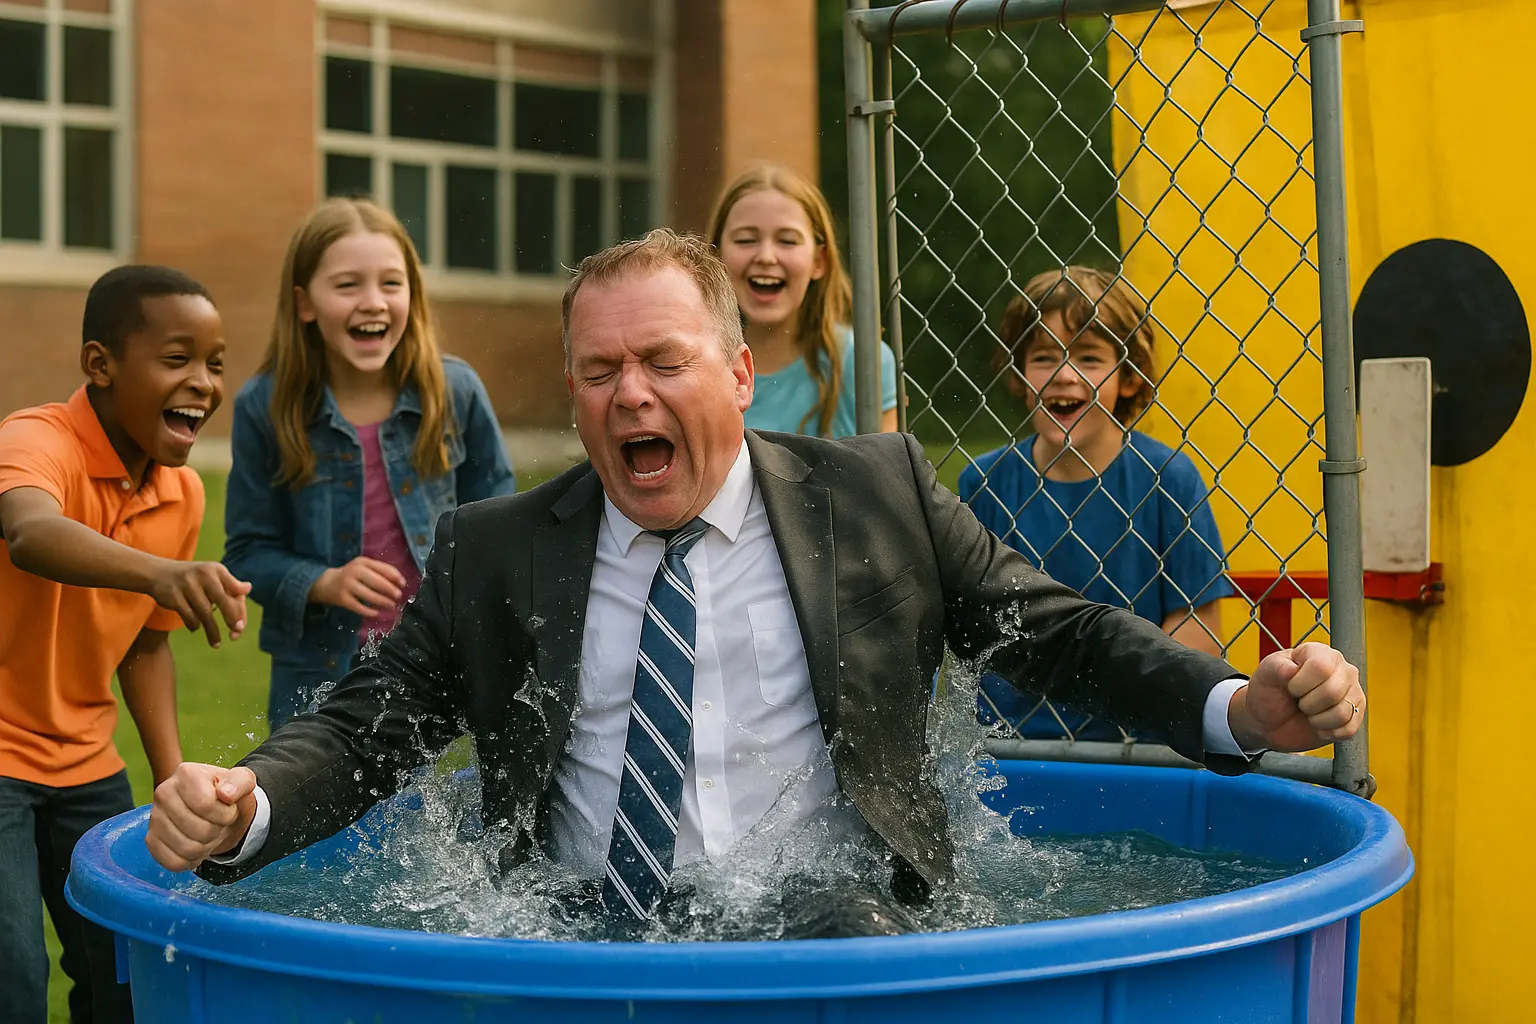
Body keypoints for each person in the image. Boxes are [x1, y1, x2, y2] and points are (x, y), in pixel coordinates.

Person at [146, 230, 1363, 937]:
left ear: (735, 373)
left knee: (844, 923)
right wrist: (242, 802)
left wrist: (1238, 708)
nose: (630, 395)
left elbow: (1063, 635)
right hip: (584, 935)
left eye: (662, 362)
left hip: (833, 930)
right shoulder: (494, 548)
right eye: (599, 370)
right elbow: (372, 727)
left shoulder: (876, 493)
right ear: (573, 394)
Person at [0, 266, 249, 1023]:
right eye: (177, 360)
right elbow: (29, 533)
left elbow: (145, 649)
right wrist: (161, 574)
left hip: (85, 765)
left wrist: (175, 784)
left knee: (126, 976)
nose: (203, 383)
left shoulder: (181, 492)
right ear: (100, 365)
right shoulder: (36, 439)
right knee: (13, 972)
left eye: (214, 363)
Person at [223, 198, 516, 732]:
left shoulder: (455, 392)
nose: (373, 302)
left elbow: (501, 526)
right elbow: (246, 554)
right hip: (317, 672)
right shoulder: (264, 408)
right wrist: (323, 581)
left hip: (437, 662)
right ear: (304, 303)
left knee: (436, 812)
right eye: (347, 285)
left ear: (412, 294)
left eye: (390, 283)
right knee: (316, 811)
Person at [959, 267, 1233, 741]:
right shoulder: (985, 481)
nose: (1064, 376)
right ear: (1022, 375)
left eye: (1088, 357)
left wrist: (1130, 693)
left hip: (1136, 742)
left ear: (1127, 377)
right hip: (1008, 746)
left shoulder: (1168, 478)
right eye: (1045, 356)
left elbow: (1197, 626)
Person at [708, 163, 899, 437]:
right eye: (746, 240)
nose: (765, 256)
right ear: (716, 257)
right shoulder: (695, 363)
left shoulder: (862, 361)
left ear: (818, 261)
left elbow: (886, 476)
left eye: (787, 241)